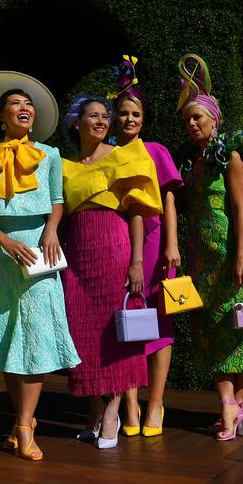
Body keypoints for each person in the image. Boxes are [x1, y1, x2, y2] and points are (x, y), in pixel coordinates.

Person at [0, 72, 80, 461]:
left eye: (28, 104)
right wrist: (4, 241)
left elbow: (58, 201)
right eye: (15, 104)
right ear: (0, 116)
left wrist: (51, 231)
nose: (24, 108)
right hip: (3, 253)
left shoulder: (48, 155)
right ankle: (20, 420)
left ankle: (25, 426)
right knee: (10, 338)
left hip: (39, 249)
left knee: (36, 335)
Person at [60, 94, 162, 449]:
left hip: (113, 247)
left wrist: (137, 261)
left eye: (106, 116)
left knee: (115, 331)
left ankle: (113, 410)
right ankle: (93, 410)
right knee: (82, 331)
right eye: (94, 116)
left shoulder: (123, 156)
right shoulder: (63, 164)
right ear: (77, 122)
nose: (103, 121)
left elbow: (137, 211)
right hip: (77, 251)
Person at [174, 54, 243, 441]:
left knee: (241, 330)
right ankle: (230, 406)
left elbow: (240, 210)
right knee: (210, 331)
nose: (192, 124)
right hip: (201, 260)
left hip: (231, 257)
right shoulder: (191, 165)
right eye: (187, 119)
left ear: (215, 119)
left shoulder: (230, 157)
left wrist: (242, 256)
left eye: (198, 117)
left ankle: (232, 406)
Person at [112, 56, 183, 438]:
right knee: (125, 321)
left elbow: (170, 200)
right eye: (123, 113)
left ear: (144, 117)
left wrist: (172, 243)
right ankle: (129, 406)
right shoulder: (108, 154)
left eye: (135, 113)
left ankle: (155, 403)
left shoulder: (156, 151)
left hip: (155, 242)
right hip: (116, 240)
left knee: (158, 323)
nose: (129, 119)